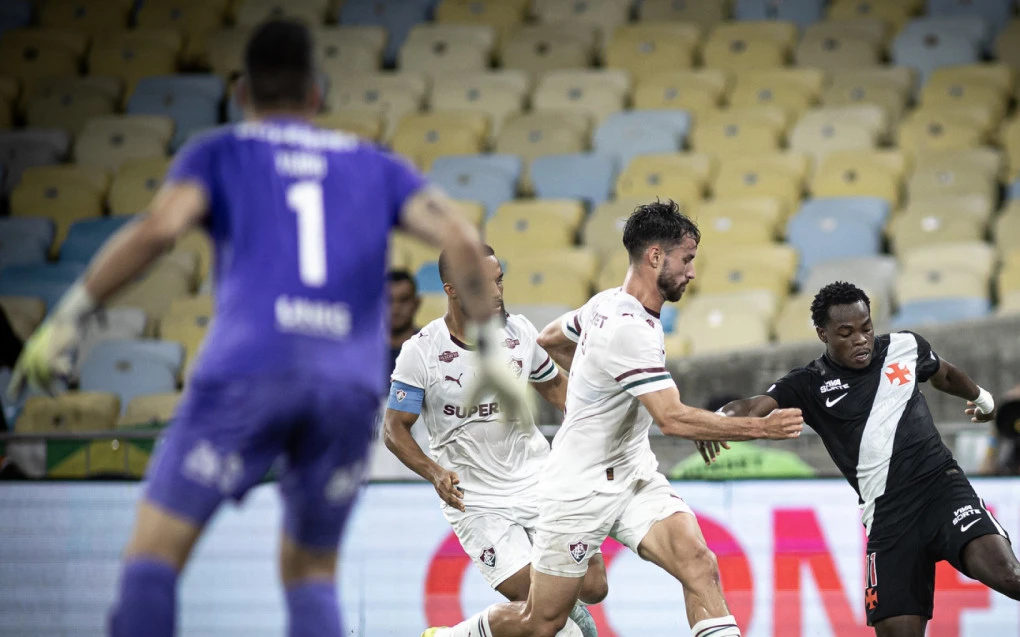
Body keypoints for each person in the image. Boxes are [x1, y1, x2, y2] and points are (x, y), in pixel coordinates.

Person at [7, 19, 526, 637]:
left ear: (241, 93)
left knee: (154, 559)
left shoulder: (222, 152)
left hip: (249, 369)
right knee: (310, 574)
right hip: (342, 388)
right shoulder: (373, 164)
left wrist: (67, 319)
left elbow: (156, 232)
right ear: (316, 94)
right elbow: (463, 238)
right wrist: (492, 353)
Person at [424, 200, 805, 637]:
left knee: (698, 563)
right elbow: (672, 420)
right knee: (542, 621)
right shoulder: (629, 330)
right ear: (655, 257)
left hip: (632, 474)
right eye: (687, 259)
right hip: (579, 487)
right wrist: (761, 428)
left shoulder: (606, 304)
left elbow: (549, 339)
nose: (692, 272)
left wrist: (596, 378)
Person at [719, 281, 1020, 637]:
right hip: (888, 519)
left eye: (866, 328)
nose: (860, 339)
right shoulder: (808, 383)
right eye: (846, 333)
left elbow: (945, 374)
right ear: (823, 334)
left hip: (943, 490)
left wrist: (982, 398)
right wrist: (715, 422)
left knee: (1008, 576)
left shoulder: (905, 347)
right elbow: (753, 407)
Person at [384, 246, 607, 637]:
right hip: (478, 501)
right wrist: (434, 472)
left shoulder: (518, 332)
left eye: (499, 279)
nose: (497, 292)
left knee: (593, 588)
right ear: (452, 290)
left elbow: (554, 385)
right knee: (551, 621)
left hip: (541, 480)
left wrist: (598, 429)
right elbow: (394, 429)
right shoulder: (421, 352)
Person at [387, 269, 421, 379]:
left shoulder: (433, 349)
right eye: (389, 300)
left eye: (403, 300)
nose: (396, 308)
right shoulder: (360, 353)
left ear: (416, 303)